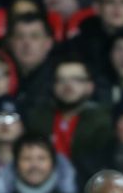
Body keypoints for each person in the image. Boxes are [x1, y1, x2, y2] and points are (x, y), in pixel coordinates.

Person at [26, 56, 112, 185]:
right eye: (61, 80)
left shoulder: (104, 123)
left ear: (90, 86)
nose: (68, 85)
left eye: (76, 79)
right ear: (53, 86)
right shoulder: (37, 119)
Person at [7, 13, 55, 118]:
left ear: (48, 43)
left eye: (35, 37)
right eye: (20, 37)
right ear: (10, 43)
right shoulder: (1, 77)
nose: (27, 43)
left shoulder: (58, 80)